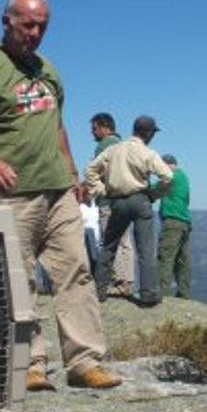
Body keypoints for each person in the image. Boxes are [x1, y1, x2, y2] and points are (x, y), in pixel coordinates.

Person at [0, 0, 121, 391]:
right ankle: (29, 364)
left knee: (76, 272)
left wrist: (73, 171)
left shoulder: (49, 71)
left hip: (58, 190)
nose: (36, 32)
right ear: (6, 20)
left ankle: (84, 362)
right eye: (28, 24)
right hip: (10, 193)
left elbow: (56, 125)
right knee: (17, 281)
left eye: (43, 25)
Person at [85, 115, 173, 307]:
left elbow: (90, 170)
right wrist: (154, 195)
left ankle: (99, 290)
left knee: (109, 246)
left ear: (134, 129)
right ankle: (148, 294)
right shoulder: (147, 152)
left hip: (116, 201)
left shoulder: (114, 149)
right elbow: (168, 177)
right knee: (145, 249)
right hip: (140, 200)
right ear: (149, 133)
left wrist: (101, 191)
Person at [89, 112, 135, 298]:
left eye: (95, 129)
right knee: (124, 240)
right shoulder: (125, 145)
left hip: (108, 200)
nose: (92, 133)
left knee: (109, 241)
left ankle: (117, 282)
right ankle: (127, 281)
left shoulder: (105, 145)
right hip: (125, 200)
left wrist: (95, 188)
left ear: (105, 128)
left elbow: (98, 171)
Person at [157, 154, 192, 298]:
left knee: (166, 257)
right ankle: (184, 293)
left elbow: (154, 189)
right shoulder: (183, 177)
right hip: (185, 221)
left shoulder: (170, 176)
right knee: (183, 259)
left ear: (167, 165)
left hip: (172, 221)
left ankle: (162, 294)